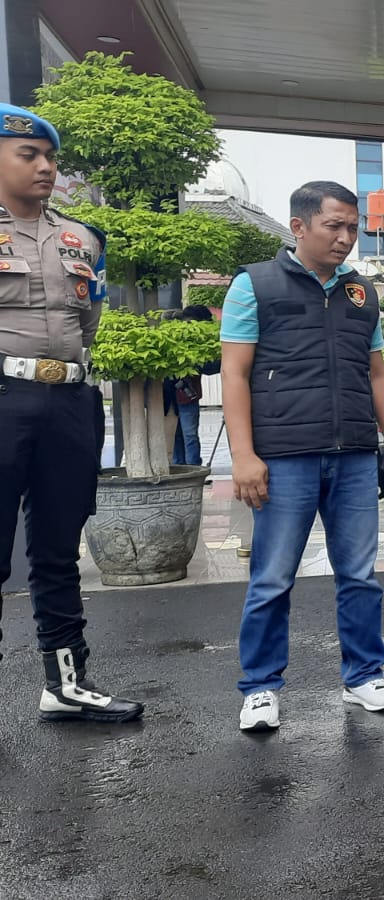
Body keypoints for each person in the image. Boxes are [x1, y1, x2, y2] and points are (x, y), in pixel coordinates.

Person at [220, 180, 384, 733]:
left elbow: (375, 371)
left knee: (360, 575)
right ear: (299, 227)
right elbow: (235, 373)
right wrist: (244, 456)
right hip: (283, 457)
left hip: (352, 454)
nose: (346, 238)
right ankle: (260, 686)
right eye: (335, 226)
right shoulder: (254, 285)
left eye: (353, 227)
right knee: (272, 577)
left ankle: (364, 676)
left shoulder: (361, 293)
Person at [0, 103, 143, 724]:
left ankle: (66, 684)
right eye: (28, 154)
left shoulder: (81, 238)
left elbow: (89, 322)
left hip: (71, 400)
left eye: (50, 157)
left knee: (59, 550)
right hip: (3, 400)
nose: (45, 166)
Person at [166, 304, 222, 467]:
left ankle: (193, 469)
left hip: (186, 395)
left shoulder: (197, 341)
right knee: (178, 435)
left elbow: (210, 367)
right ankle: (181, 468)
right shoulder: (174, 338)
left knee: (188, 435)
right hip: (171, 396)